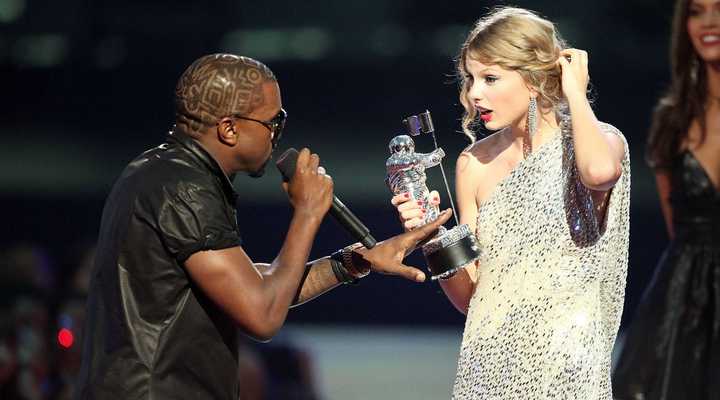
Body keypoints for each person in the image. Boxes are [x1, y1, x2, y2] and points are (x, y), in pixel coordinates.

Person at [74, 53, 452, 400]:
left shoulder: (162, 173)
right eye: (274, 122)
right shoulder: (183, 188)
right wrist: (307, 212)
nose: (277, 134)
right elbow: (262, 314)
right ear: (229, 129)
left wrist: (356, 261)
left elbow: (253, 285)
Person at [391, 7, 630, 399]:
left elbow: (599, 173)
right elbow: (471, 297)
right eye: (470, 79)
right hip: (489, 367)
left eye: (490, 78)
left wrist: (574, 92)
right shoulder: (473, 164)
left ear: (533, 79)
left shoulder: (600, 142)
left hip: (567, 367)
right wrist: (432, 237)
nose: (474, 94)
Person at [612, 0, 720, 398]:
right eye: (696, 11)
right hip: (681, 305)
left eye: (719, 9)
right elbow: (677, 228)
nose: (708, 23)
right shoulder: (672, 121)